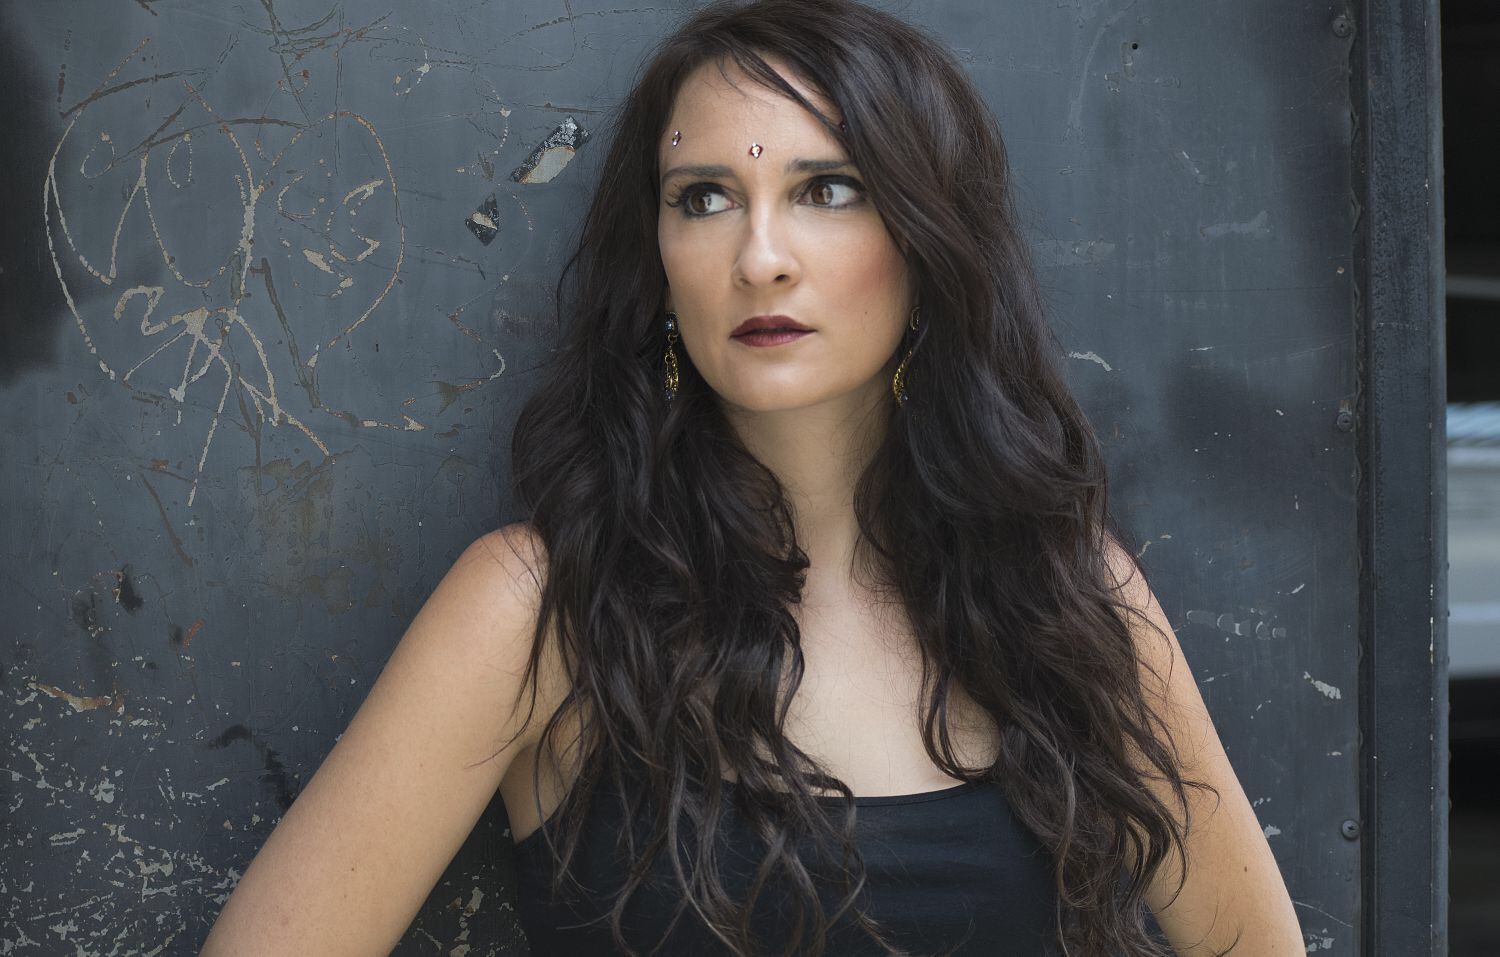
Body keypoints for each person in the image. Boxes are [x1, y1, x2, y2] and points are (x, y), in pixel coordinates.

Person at [201, 1, 1305, 954]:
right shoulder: (540, 610)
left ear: (928, 241)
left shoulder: (1070, 601)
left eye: (828, 189)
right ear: (658, 259)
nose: (760, 256)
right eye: (704, 197)